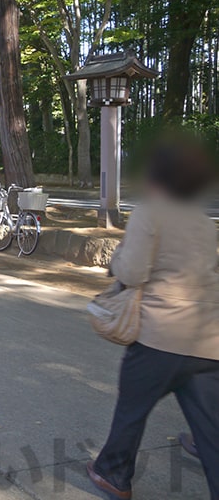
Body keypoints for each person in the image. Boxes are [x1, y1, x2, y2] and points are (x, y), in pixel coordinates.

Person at [86, 139, 219, 500]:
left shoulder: (151, 212)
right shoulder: (206, 223)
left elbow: (134, 271)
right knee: (211, 430)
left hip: (161, 336)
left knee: (132, 408)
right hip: (208, 341)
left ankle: (113, 473)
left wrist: (115, 262)